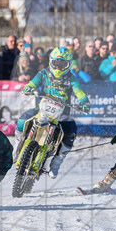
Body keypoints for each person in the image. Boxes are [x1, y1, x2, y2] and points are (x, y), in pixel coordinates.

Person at [16, 47, 91, 177]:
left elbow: (79, 92)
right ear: (51, 61)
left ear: (68, 64)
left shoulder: (72, 78)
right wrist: (28, 88)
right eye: (56, 63)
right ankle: (17, 147)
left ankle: (56, 164)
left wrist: (84, 102)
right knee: (23, 119)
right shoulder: (43, 73)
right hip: (41, 109)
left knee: (71, 131)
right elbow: (33, 83)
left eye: (62, 64)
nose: (58, 67)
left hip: (61, 114)